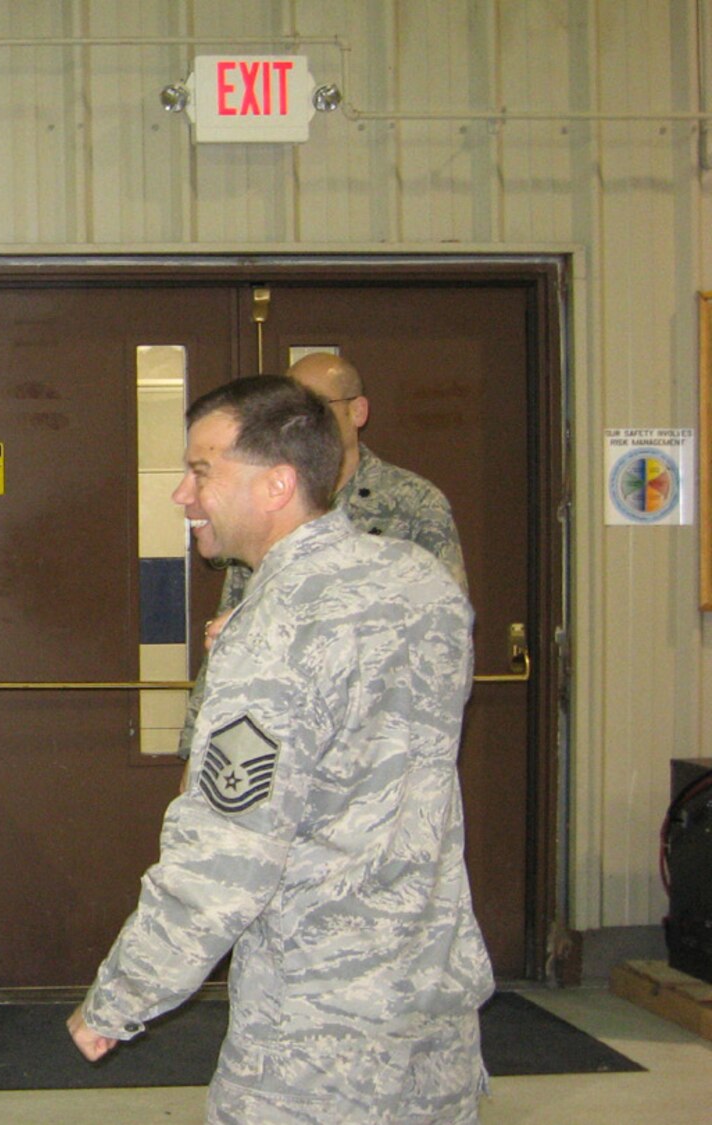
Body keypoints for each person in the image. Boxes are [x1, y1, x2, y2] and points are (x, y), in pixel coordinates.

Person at [69, 375, 491, 1123]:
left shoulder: (274, 630)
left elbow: (226, 859)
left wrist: (122, 997)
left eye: (202, 471)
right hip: (434, 1010)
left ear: (278, 484)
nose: (183, 494)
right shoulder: (420, 583)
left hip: (316, 1038)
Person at [176, 352, 467, 756]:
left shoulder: (413, 501)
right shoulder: (256, 500)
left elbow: (439, 634)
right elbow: (238, 601)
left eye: (315, 403)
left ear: (358, 411)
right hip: (252, 708)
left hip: (359, 740)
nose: (298, 416)